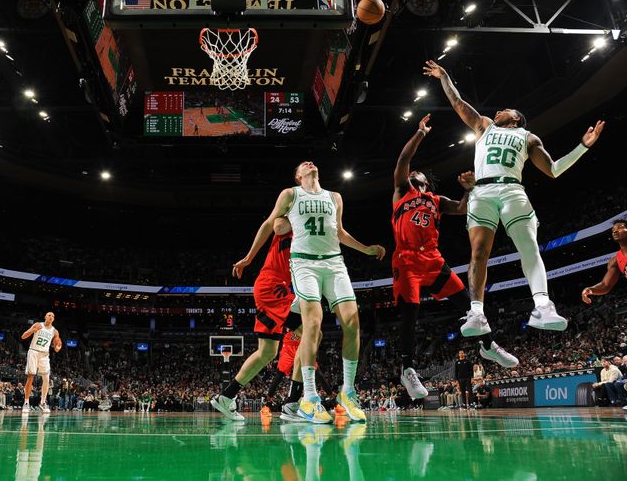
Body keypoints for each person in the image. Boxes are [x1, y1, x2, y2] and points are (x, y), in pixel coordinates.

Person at [423, 60, 605, 332]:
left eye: (505, 110)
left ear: (516, 118)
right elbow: (458, 103)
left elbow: (553, 170)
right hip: (481, 192)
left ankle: (543, 306)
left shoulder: (528, 137)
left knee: (529, 246)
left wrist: (583, 147)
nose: (497, 111)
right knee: (479, 253)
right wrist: (444, 77)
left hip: (512, 190)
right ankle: (476, 314)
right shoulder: (484, 126)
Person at [232, 161, 385, 424]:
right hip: (304, 263)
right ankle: (308, 398)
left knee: (352, 321)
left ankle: (347, 392)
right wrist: (248, 258)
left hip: (334, 263)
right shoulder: (290, 194)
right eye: (304, 165)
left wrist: (366, 249)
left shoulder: (334, 197)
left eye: (311, 163)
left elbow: (339, 233)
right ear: (298, 175)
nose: (309, 163)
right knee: (312, 322)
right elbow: (270, 224)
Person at [391, 114, 518, 401]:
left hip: (433, 259)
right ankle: (407, 367)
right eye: (412, 174)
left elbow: (462, 208)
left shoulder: (437, 201)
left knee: (468, 303)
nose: (413, 175)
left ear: (426, 182)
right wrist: (420, 134)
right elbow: (402, 161)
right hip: (407, 260)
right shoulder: (401, 193)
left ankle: (488, 344)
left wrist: (471, 189)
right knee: (410, 311)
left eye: (417, 175)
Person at [211, 217, 301, 421]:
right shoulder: (291, 218)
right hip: (273, 288)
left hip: (276, 288)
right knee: (311, 334)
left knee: (267, 352)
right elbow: (276, 225)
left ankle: (226, 396)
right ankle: (295, 404)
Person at [21, 312, 61, 414]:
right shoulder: (38, 324)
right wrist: (33, 330)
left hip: (44, 354)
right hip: (34, 351)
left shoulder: (55, 331)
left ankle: (43, 402)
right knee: (31, 377)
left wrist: (57, 347)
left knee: (46, 378)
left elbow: (57, 344)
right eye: (49, 315)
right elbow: (23, 336)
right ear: (45, 317)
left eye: (53, 316)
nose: (51, 317)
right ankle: (26, 402)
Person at [581, 219, 627, 304]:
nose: (615, 231)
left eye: (620, 228)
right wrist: (590, 290)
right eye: (613, 230)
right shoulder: (615, 261)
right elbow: (605, 285)